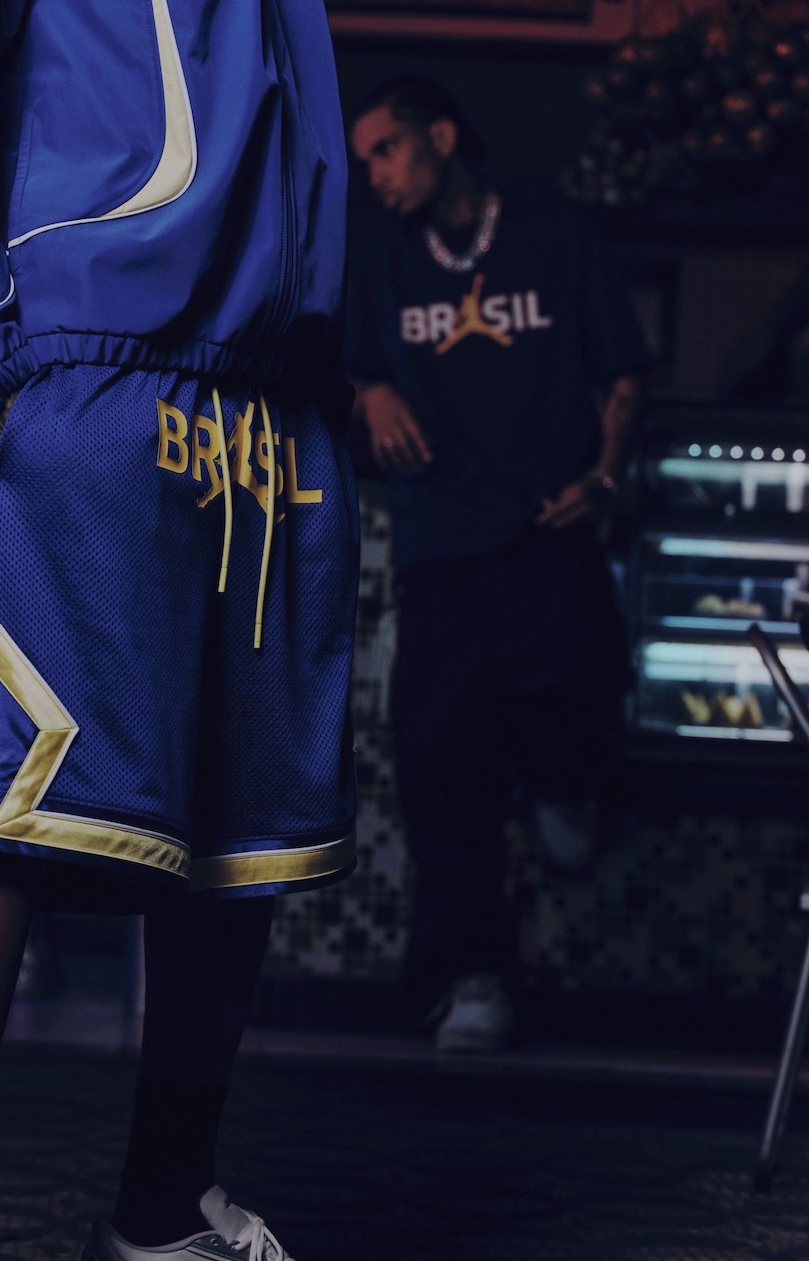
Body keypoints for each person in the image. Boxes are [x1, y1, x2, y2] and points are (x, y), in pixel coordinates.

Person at [0, 0, 394, 1261]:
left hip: (271, 379)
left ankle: (161, 1226)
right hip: (92, 345)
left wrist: (324, 357)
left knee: (239, 811)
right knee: (17, 769)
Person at [347, 75, 648, 1054]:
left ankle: (569, 784)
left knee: (581, 680)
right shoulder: (381, 256)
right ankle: (473, 981)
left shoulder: (554, 231)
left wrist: (605, 476)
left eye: (387, 149)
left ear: (441, 136)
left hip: (548, 522)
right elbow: (342, 363)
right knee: (442, 763)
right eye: (365, 160)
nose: (375, 174)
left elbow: (623, 370)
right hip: (440, 540)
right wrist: (372, 390)